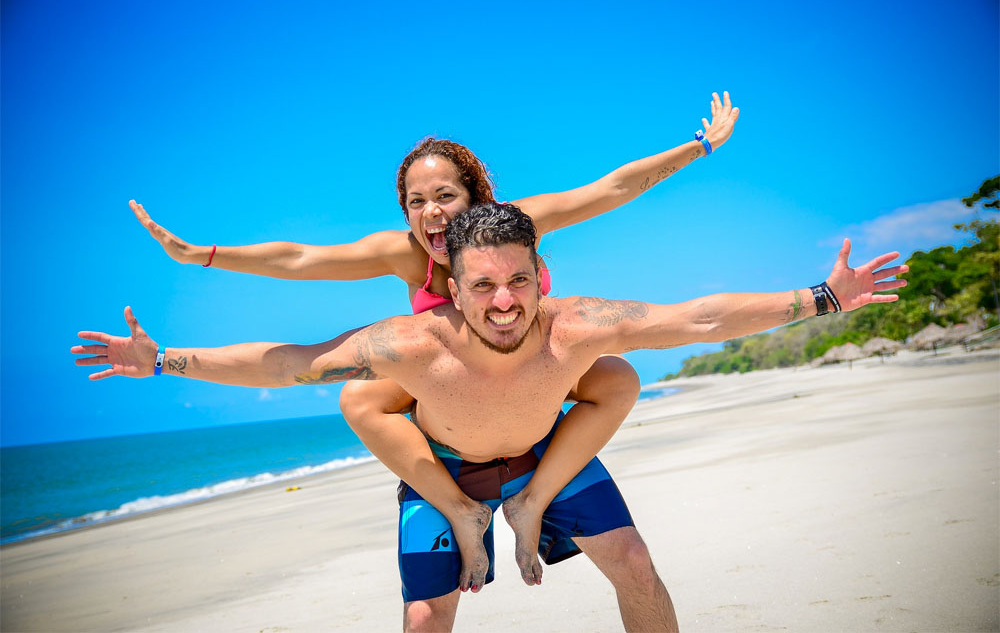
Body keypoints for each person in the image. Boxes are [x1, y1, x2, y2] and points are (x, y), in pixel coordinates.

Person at [73, 202, 908, 632]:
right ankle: (471, 515)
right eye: (482, 285)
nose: (503, 302)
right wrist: (165, 361)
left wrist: (824, 296)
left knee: (638, 566)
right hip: (448, 466)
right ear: (453, 285)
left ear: (541, 274)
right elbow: (291, 363)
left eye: (518, 281)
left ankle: (532, 503)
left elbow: (698, 318)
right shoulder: (408, 344)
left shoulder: (579, 323)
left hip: (548, 451)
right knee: (425, 619)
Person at [128, 93, 741, 590]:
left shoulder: (512, 224)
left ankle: (536, 502)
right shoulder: (404, 252)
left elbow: (608, 190)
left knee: (615, 376)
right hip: (454, 391)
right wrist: (201, 256)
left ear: (476, 196)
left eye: (445, 195)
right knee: (358, 395)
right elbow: (301, 257)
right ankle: (461, 511)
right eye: (416, 201)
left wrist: (700, 146)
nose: (431, 213)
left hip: (533, 376)